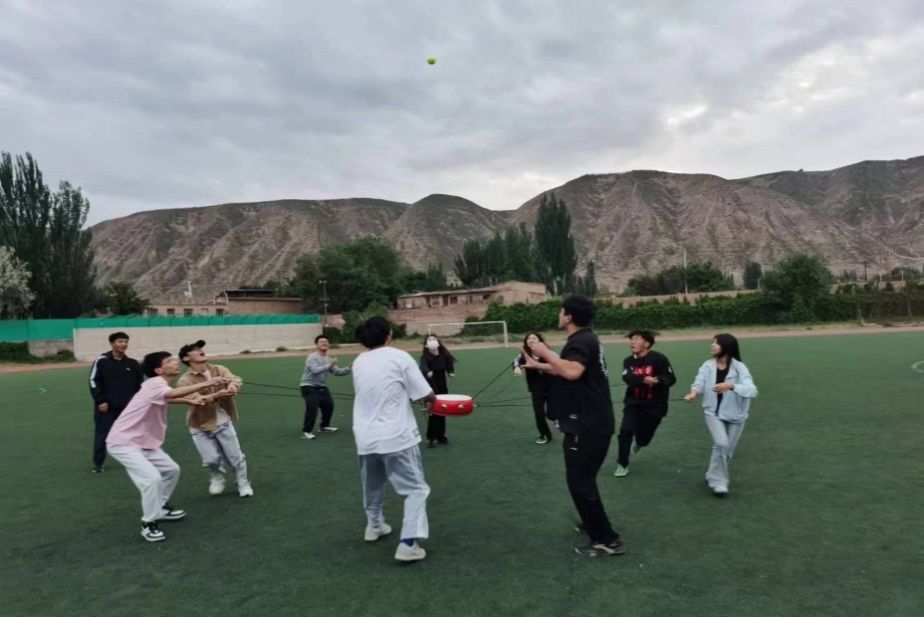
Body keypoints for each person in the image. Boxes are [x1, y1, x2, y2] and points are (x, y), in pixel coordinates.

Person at [522, 295, 624, 557]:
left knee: (580, 482)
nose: (559, 315)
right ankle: (593, 522)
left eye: (561, 311)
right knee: (583, 480)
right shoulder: (587, 339)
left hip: (587, 425)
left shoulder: (580, 341)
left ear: (568, 316)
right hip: (593, 422)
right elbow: (567, 368)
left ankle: (607, 540)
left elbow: (572, 372)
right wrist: (538, 364)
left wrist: (544, 351)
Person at [106, 351, 229, 542]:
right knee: (152, 479)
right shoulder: (155, 383)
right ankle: (148, 523)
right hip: (123, 442)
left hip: (143, 442)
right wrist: (207, 384)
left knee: (171, 470)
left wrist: (187, 400)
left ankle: (160, 508)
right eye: (170, 361)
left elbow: (165, 397)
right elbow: (170, 394)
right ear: (158, 370)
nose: (175, 362)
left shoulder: (156, 385)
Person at [351, 316, 436, 562]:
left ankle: (374, 526)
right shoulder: (399, 357)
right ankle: (408, 544)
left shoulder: (359, 361)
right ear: (388, 335)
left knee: (372, 484)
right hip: (396, 436)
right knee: (416, 489)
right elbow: (425, 392)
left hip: (365, 438)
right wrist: (432, 401)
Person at [684, 333, 758, 496]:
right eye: (712, 342)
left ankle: (711, 474)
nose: (712, 345)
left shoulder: (740, 368)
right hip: (713, 413)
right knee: (722, 444)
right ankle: (719, 482)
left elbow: (752, 390)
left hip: (736, 416)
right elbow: (699, 382)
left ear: (726, 347)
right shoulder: (707, 366)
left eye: (716, 343)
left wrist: (731, 386)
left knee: (727, 451)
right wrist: (693, 393)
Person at [177, 340, 253, 498]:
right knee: (211, 460)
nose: (200, 350)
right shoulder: (184, 380)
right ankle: (217, 476)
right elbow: (195, 399)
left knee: (235, 458)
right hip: (199, 425)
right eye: (195, 349)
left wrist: (232, 387)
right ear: (186, 358)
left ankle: (243, 483)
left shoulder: (219, 369)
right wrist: (216, 395)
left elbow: (235, 379)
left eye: (200, 348)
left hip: (223, 422)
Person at [613, 330, 676, 478]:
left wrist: (657, 380)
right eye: (631, 339)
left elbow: (670, 378)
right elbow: (627, 377)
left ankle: (640, 442)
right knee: (625, 431)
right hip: (633, 403)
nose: (632, 342)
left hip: (655, 405)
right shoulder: (628, 361)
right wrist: (643, 380)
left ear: (647, 343)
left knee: (644, 437)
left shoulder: (659, 358)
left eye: (636, 339)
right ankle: (622, 463)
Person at [88, 332, 143, 473]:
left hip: (128, 408)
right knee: (102, 435)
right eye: (120, 341)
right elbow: (93, 380)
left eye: (125, 341)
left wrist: (138, 403)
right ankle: (98, 464)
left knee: (132, 435)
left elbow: (140, 384)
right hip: (106, 408)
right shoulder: (102, 361)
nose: (123, 344)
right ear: (112, 344)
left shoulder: (133, 363)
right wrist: (100, 401)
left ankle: (135, 461)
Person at [299, 334, 351, 440]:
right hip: (308, 386)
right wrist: (330, 365)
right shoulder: (312, 357)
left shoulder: (328, 359)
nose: (324, 343)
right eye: (321, 342)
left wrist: (348, 368)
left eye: (326, 342)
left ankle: (324, 426)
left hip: (321, 386)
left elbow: (337, 372)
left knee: (329, 405)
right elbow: (315, 371)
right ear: (316, 345)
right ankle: (306, 431)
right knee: (312, 407)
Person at [513, 331, 554, 444]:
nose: (531, 340)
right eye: (529, 338)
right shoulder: (524, 354)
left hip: (552, 386)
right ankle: (545, 435)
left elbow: (557, 364)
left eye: (534, 338)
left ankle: (556, 419)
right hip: (536, 389)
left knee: (552, 413)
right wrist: (517, 368)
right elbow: (516, 362)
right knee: (539, 414)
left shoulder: (547, 352)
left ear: (540, 341)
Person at [419, 334, 455, 448]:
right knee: (433, 412)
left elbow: (449, 365)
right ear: (426, 345)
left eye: (434, 339)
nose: (432, 341)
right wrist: (427, 372)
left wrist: (450, 372)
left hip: (442, 386)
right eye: (429, 340)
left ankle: (441, 436)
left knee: (442, 411)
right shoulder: (424, 357)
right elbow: (423, 367)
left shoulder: (444, 355)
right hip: (429, 388)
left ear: (438, 342)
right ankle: (431, 438)